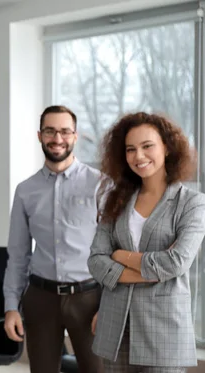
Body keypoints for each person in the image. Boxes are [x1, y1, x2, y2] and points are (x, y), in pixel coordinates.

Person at [88, 112, 205, 372]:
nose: (138, 156)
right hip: (116, 328)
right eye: (131, 149)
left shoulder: (192, 203)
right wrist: (152, 272)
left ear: (167, 147)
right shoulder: (115, 200)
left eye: (147, 146)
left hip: (163, 332)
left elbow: (176, 263)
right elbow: (96, 260)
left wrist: (120, 256)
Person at [3, 105, 105, 373]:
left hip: (89, 296)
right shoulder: (26, 190)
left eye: (64, 131)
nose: (57, 139)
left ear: (75, 136)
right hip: (41, 298)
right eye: (50, 131)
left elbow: (113, 249)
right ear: (40, 135)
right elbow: (18, 254)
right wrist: (11, 306)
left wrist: (109, 305)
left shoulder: (101, 185)